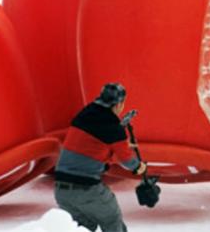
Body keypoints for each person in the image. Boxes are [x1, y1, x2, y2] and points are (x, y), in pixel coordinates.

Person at [53, 83, 146, 232]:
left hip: (61, 191)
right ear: (120, 104)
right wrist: (138, 167)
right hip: (86, 189)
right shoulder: (113, 127)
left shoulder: (85, 114)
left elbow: (89, 150)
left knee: (84, 227)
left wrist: (117, 147)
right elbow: (127, 161)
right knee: (111, 218)